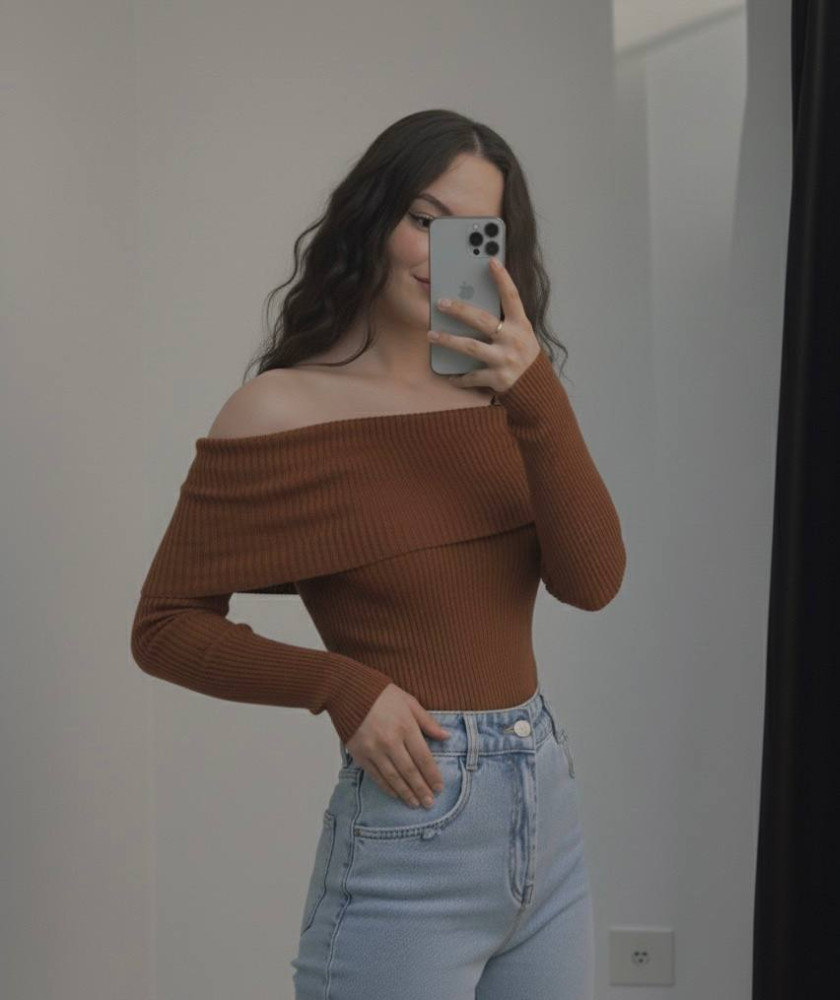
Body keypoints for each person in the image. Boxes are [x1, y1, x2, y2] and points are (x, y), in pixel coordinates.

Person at [130, 108, 626, 1000]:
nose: (440, 253)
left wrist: (537, 396)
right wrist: (342, 687)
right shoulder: (282, 410)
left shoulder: (510, 401)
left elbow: (592, 583)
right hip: (414, 822)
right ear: (372, 217)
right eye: (422, 219)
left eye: (473, 232)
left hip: (546, 813)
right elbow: (163, 627)